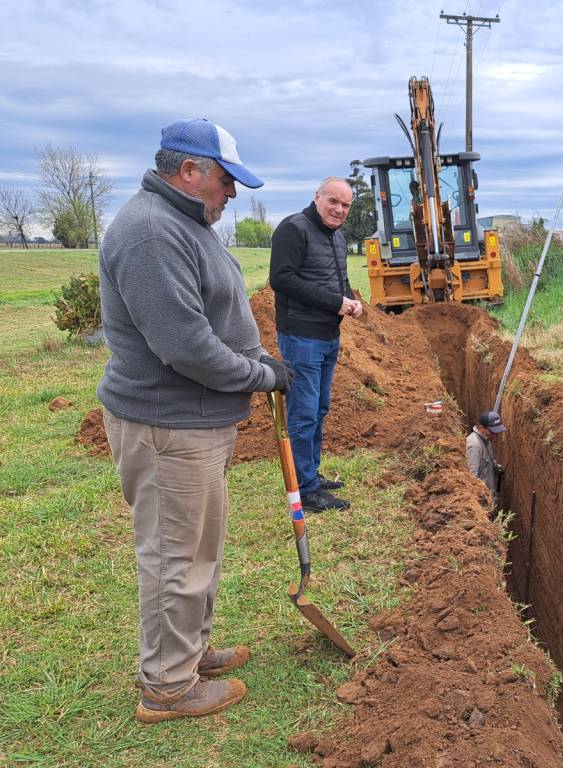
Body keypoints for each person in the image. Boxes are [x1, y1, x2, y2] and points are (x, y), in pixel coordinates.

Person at [98, 118, 294, 722]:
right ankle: (167, 687)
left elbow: (214, 317)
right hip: (169, 426)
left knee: (196, 546)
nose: (232, 194)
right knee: (173, 556)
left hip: (195, 423)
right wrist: (261, 375)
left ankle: (189, 652)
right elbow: (185, 345)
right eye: (226, 181)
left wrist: (257, 355)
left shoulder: (186, 223)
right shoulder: (152, 234)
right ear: (189, 171)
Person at [269, 178, 363, 513]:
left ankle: (311, 473)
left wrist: (351, 301)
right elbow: (281, 278)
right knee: (303, 412)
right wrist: (334, 302)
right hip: (301, 336)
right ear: (317, 198)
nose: (339, 209)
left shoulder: (337, 237)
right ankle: (305, 490)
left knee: (319, 409)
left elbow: (340, 280)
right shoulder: (293, 229)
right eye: (333, 201)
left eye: (346, 205)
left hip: (328, 336)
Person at [466, 410, 507, 500]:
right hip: (480, 500)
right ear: (481, 428)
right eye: (492, 431)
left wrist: (496, 467)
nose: (495, 435)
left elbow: (486, 461)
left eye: (497, 432)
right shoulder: (474, 446)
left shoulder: (486, 439)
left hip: (488, 496)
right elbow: (471, 478)